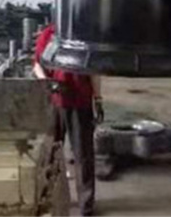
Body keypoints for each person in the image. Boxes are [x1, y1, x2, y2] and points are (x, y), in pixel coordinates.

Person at [33, 24, 103, 216]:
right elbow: (37, 64)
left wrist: (98, 98)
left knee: (83, 155)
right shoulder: (49, 34)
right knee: (50, 152)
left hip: (80, 103)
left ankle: (85, 205)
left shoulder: (85, 33)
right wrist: (47, 83)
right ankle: (47, 198)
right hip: (55, 102)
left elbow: (93, 70)